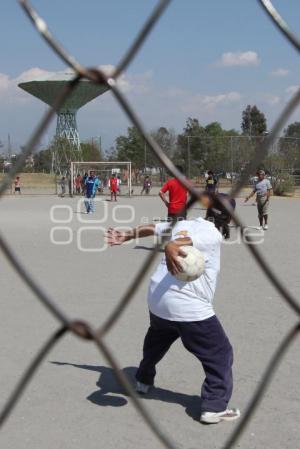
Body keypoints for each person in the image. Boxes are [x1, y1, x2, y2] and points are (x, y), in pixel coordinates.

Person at [105, 195, 240, 425]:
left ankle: (143, 380)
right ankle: (214, 407)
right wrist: (171, 246)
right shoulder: (211, 234)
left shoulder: (184, 222)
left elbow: (152, 228)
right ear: (229, 218)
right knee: (221, 353)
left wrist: (127, 234)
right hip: (188, 305)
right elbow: (180, 243)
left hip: (158, 297)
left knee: (159, 337)